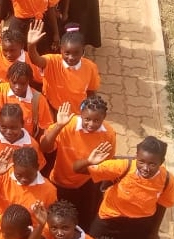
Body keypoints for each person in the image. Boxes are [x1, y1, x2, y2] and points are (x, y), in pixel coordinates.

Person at [82, 136, 174, 239]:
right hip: (109, 220)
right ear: (136, 156)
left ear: (162, 162)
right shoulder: (123, 167)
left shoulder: (167, 180)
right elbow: (80, 170)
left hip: (139, 226)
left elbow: (162, 206)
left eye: (152, 164)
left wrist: (154, 231)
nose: (146, 168)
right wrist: (89, 162)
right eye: (141, 161)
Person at [40, 97, 117, 230]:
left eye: (97, 120)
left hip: (87, 185)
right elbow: (45, 147)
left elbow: (105, 165)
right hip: (60, 182)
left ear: (104, 118)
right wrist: (59, 126)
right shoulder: (68, 125)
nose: (91, 124)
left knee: (82, 220)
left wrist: (92, 167)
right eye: (87, 119)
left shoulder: (109, 134)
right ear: (81, 115)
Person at [26, 21, 100, 112]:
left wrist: (90, 109)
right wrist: (31, 45)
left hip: (76, 113)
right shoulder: (52, 61)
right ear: (61, 50)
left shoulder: (90, 67)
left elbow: (91, 91)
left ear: (83, 51)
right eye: (67, 53)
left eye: (76, 53)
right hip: (52, 109)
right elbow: (36, 60)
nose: (71, 57)